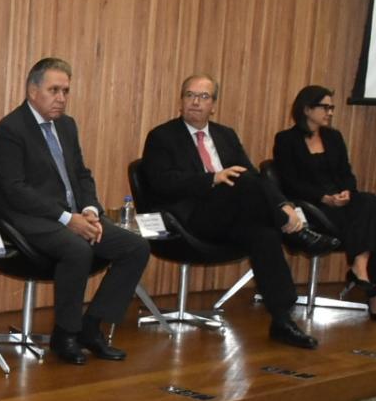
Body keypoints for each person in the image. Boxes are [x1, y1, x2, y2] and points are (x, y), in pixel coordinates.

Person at [140, 75, 338, 349]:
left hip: (231, 218)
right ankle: (296, 234)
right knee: (242, 180)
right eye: (190, 95)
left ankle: (282, 320)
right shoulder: (162, 136)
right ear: (181, 101)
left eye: (204, 97)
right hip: (190, 220)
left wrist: (284, 204)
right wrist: (213, 178)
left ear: (214, 106)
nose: (196, 102)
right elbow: (161, 183)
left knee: (264, 234)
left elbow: (255, 178)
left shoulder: (225, 135)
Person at [0, 57, 151, 364]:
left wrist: (90, 210)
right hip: (30, 219)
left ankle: (92, 327)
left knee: (135, 247)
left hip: (73, 214)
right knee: (78, 249)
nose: (61, 98)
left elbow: (81, 174)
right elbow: (15, 190)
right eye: (54, 90)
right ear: (32, 91)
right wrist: (67, 219)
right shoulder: (10, 129)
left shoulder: (67, 125)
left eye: (65, 91)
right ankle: (65, 334)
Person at [272, 86, 376, 321]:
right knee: (372, 227)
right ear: (307, 109)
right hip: (311, 206)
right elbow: (288, 183)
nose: (330, 112)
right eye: (325, 107)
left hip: (340, 201)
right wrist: (323, 198)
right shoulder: (286, 140)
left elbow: (347, 174)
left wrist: (347, 192)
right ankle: (375, 295)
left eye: (331, 107)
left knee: (371, 203)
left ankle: (360, 264)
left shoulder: (333, 137)